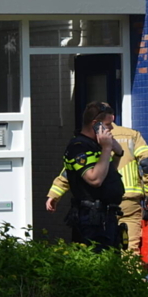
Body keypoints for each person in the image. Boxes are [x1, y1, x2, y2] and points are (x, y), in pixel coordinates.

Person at [46, 101, 148, 253]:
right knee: (128, 251)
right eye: (107, 124)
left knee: (117, 250)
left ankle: (123, 276)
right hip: (124, 203)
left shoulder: (103, 141)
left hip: (114, 205)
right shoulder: (128, 136)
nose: (110, 128)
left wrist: (55, 194)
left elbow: (68, 172)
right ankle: (128, 276)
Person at [58, 101, 126, 251]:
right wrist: (107, 147)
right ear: (96, 124)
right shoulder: (78, 147)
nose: (111, 129)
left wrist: (117, 152)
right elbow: (94, 179)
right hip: (91, 218)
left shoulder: (98, 146)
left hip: (107, 216)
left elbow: (108, 172)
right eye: (107, 125)